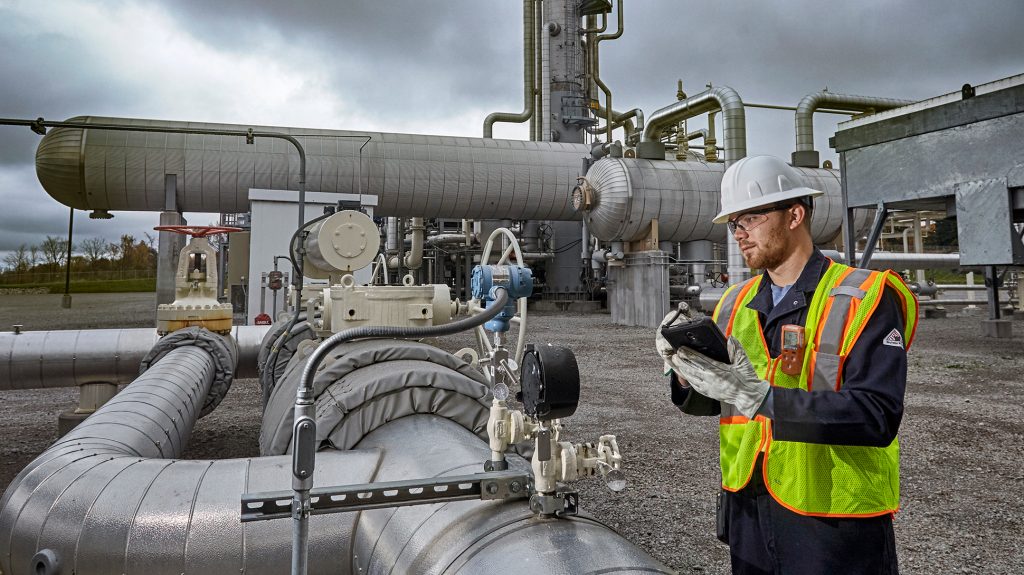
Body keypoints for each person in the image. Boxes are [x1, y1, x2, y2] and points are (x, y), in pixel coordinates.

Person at [656, 155, 919, 574]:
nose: (739, 234)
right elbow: (719, 403)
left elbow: (876, 415)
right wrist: (687, 377)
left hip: (832, 519)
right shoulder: (734, 304)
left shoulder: (864, 296)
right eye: (733, 223)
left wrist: (761, 398)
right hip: (749, 508)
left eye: (750, 218)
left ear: (795, 214)